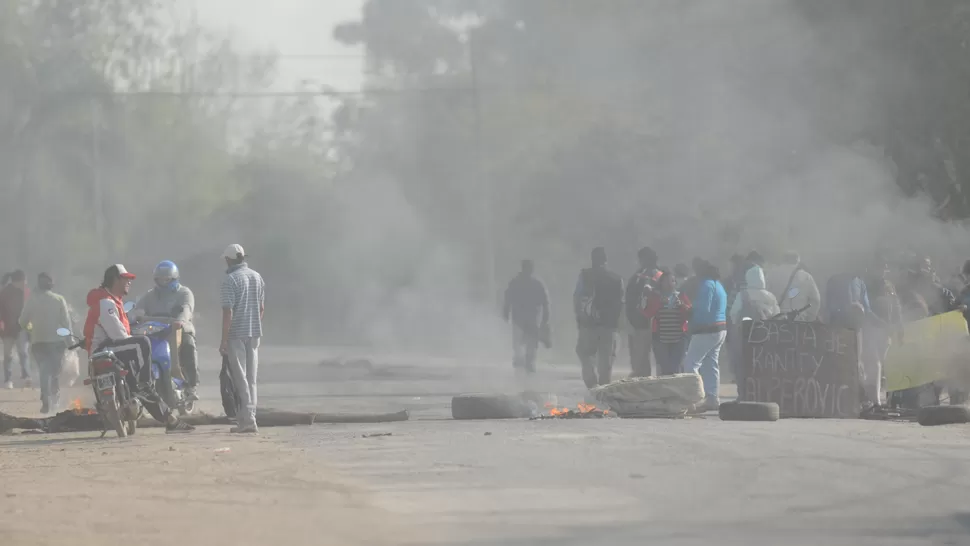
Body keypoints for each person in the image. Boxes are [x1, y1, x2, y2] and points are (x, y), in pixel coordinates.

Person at [83, 264, 194, 433]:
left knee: (142, 388)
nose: (129, 283)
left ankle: (170, 421)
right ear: (115, 280)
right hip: (106, 350)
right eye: (126, 279)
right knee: (143, 343)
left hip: (108, 351)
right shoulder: (106, 303)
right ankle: (145, 383)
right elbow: (119, 336)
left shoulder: (111, 301)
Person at [133, 261, 200, 406]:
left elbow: (186, 310)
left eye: (166, 279)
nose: (163, 282)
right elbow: (138, 309)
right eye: (159, 279)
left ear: (174, 278)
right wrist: (136, 316)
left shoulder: (184, 292)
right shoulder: (150, 295)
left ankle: (191, 385)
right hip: (155, 331)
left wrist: (181, 321)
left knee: (188, 344)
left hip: (178, 329)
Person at [220, 244, 266, 434]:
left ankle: (248, 421)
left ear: (228, 260)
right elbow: (261, 308)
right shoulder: (257, 277)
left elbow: (227, 312)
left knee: (240, 378)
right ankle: (248, 418)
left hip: (236, 334)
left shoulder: (230, 280)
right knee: (251, 379)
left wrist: (223, 340)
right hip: (254, 333)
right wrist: (253, 323)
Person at [18, 273, 70, 413]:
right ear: (52, 285)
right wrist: (70, 341)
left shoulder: (31, 300)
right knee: (55, 373)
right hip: (57, 342)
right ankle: (55, 398)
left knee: (43, 370)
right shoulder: (59, 299)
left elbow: (22, 322)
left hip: (38, 341)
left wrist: (31, 330)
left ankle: (45, 398)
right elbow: (66, 323)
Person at [574, 247, 624, 389]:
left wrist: (580, 318)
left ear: (592, 260)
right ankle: (602, 393)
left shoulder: (584, 275)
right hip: (609, 326)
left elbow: (577, 298)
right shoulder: (617, 279)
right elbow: (621, 303)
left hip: (588, 325)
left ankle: (591, 382)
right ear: (606, 260)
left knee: (585, 354)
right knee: (606, 362)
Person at [729, 265, 781, 396]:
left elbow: (733, 314)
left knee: (743, 367)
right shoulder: (770, 296)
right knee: (763, 368)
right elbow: (778, 316)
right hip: (765, 338)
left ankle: (743, 394)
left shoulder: (743, 295)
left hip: (745, 338)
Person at [683, 260, 727, 412]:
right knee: (711, 364)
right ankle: (712, 399)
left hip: (706, 330)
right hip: (720, 329)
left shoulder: (706, 285)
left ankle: (692, 399)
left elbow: (703, 309)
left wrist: (688, 311)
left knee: (691, 364)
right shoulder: (719, 286)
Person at [502, 260, 550, 375]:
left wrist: (505, 312)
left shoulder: (516, 282)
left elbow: (507, 299)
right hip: (529, 319)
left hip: (521, 319)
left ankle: (525, 361)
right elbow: (545, 303)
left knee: (523, 344)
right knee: (528, 344)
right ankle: (526, 362)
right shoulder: (536, 284)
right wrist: (545, 318)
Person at [642, 269, 691, 376]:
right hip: (661, 339)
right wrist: (659, 303)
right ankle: (665, 391)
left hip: (679, 338)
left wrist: (682, 306)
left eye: (672, 281)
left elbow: (690, 313)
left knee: (675, 368)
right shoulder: (655, 296)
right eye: (666, 281)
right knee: (664, 369)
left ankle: (675, 391)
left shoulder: (681, 296)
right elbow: (647, 313)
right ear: (661, 283)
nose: (669, 283)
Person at [625, 247, 661, 377]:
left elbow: (629, 299)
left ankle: (643, 383)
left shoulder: (639, 277)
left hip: (642, 324)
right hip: (658, 324)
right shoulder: (662, 275)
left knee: (640, 360)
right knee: (658, 360)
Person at [767, 251, 821, 322]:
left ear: (783, 260)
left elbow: (765, 295)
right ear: (798, 261)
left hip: (776, 319)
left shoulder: (771, 274)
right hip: (798, 320)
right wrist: (809, 318)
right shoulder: (806, 276)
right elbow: (815, 300)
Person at [0, 270, 30, 389]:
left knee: (22, 352)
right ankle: (8, 379)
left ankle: (26, 376)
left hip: (19, 328)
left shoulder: (25, 292)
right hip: (8, 328)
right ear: (18, 281)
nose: (25, 283)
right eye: (24, 280)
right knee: (8, 355)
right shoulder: (5, 293)